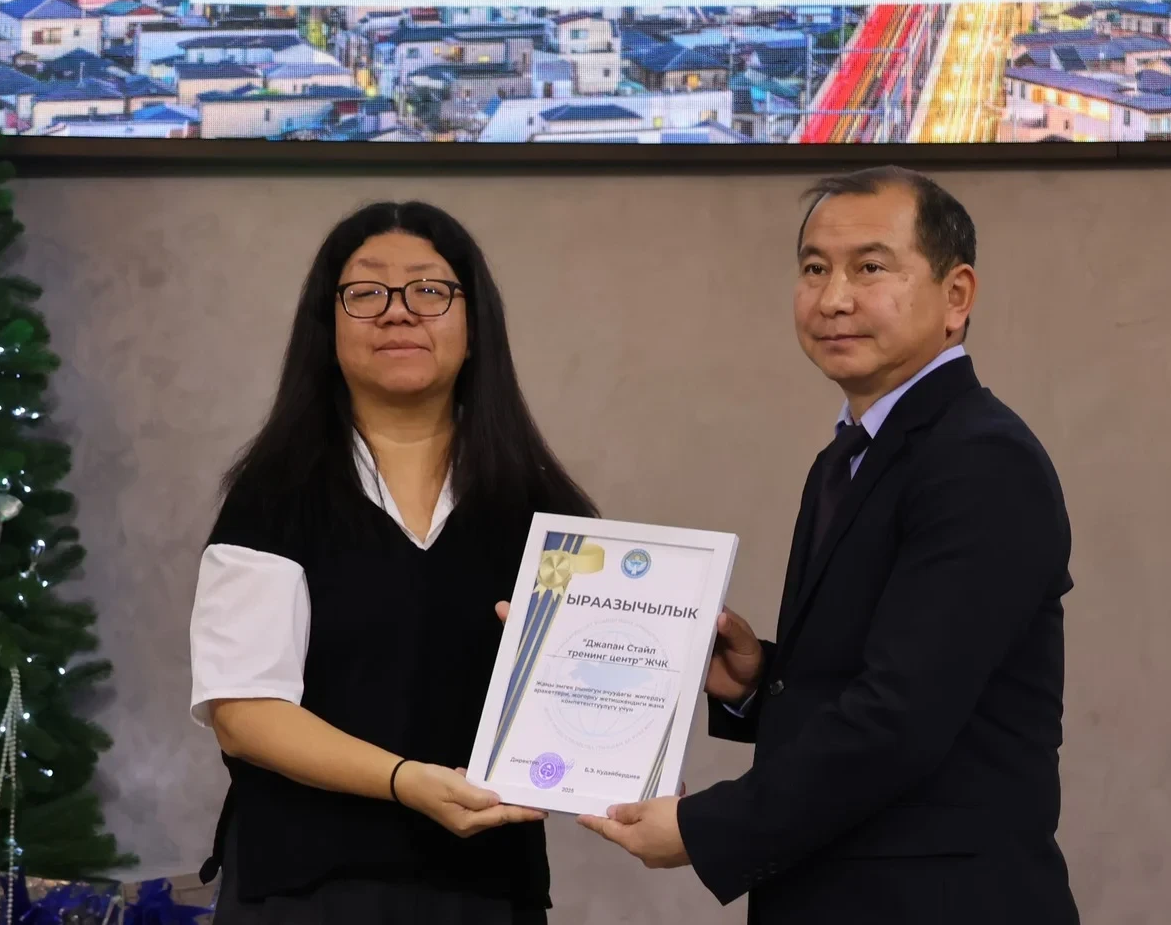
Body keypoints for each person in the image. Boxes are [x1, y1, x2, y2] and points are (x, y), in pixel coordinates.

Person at [578, 167, 1079, 924]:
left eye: (870, 268)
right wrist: (758, 680)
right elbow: (883, 673)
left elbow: (900, 718)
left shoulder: (981, 459)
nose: (833, 298)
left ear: (956, 295)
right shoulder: (851, 455)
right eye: (814, 269)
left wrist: (704, 828)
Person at [188, 200, 595, 925]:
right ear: (328, 326)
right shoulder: (273, 497)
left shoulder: (544, 509)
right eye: (366, 291)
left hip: (487, 891)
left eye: (430, 290)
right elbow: (243, 713)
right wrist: (406, 780)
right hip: (305, 891)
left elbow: (591, 691)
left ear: (474, 326)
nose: (398, 311)